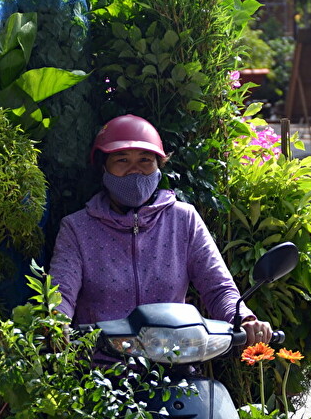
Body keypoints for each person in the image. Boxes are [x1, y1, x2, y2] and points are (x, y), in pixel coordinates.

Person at [48, 114, 272, 346]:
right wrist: (56, 323)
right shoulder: (77, 228)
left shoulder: (184, 220)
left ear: (158, 166)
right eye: (122, 161)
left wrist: (244, 318)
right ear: (104, 168)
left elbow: (217, 286)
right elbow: (61, 291)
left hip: (174, 362)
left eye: (145, 160)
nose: (135, 171)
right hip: (102, 370)